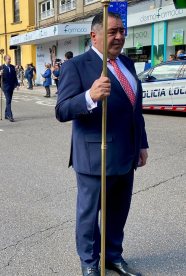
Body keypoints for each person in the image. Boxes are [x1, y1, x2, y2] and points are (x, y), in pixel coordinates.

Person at [55, 12, 148, 276]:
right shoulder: (76, 66)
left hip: (126, 154)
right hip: (94, 155)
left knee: (118, 212)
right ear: (94, 35)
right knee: (89, 215)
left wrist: (141, 144)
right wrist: (89, 96)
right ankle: (89, 262)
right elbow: (61, 110)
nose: (119, 36)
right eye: (112, 32)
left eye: (121, 31)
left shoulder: (127, 64)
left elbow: (135, 110)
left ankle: (113, 256)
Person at [0, 55, 19, 122]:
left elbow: (14, 77)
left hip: (11, 86)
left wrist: (17, 84)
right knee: (8, 100)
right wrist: (0, 73)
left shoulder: (12, 67)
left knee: (9, 101)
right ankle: (10, 116)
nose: (10, 60)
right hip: (5, 86)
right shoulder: (1, 67)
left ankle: (6, 114)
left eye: (10, 59)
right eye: (9, 59)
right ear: (5, 59)